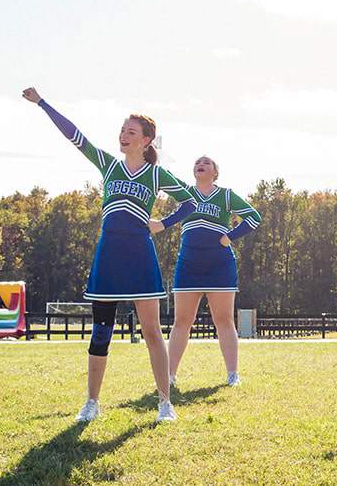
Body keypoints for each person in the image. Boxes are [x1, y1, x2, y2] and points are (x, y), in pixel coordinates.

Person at [24, 87, 197, 423]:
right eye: (122, 130)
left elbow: (190, 202)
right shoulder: (108, 165)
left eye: (131, 131)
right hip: (109, 255)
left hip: (140, 257)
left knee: (151, 331)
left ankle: (165, 403)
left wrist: (164, 223)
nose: (123, 135)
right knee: (101, 330)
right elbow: (76, 137)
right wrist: (43, 103)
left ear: (147, 140)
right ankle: (91, 402)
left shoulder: (156, 174)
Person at [164, 156, 263, 387]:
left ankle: (232, 374)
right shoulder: (185, 193)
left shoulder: (226, 195)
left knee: (224, 320)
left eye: (207, 163)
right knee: (181, 321)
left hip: (220, 265)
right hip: (188, 264)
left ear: (215, 172)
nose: (201, 164)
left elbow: (254, 217)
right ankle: (168, 375)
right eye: (198, 162)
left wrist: (230, 237)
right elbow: (162, 177)